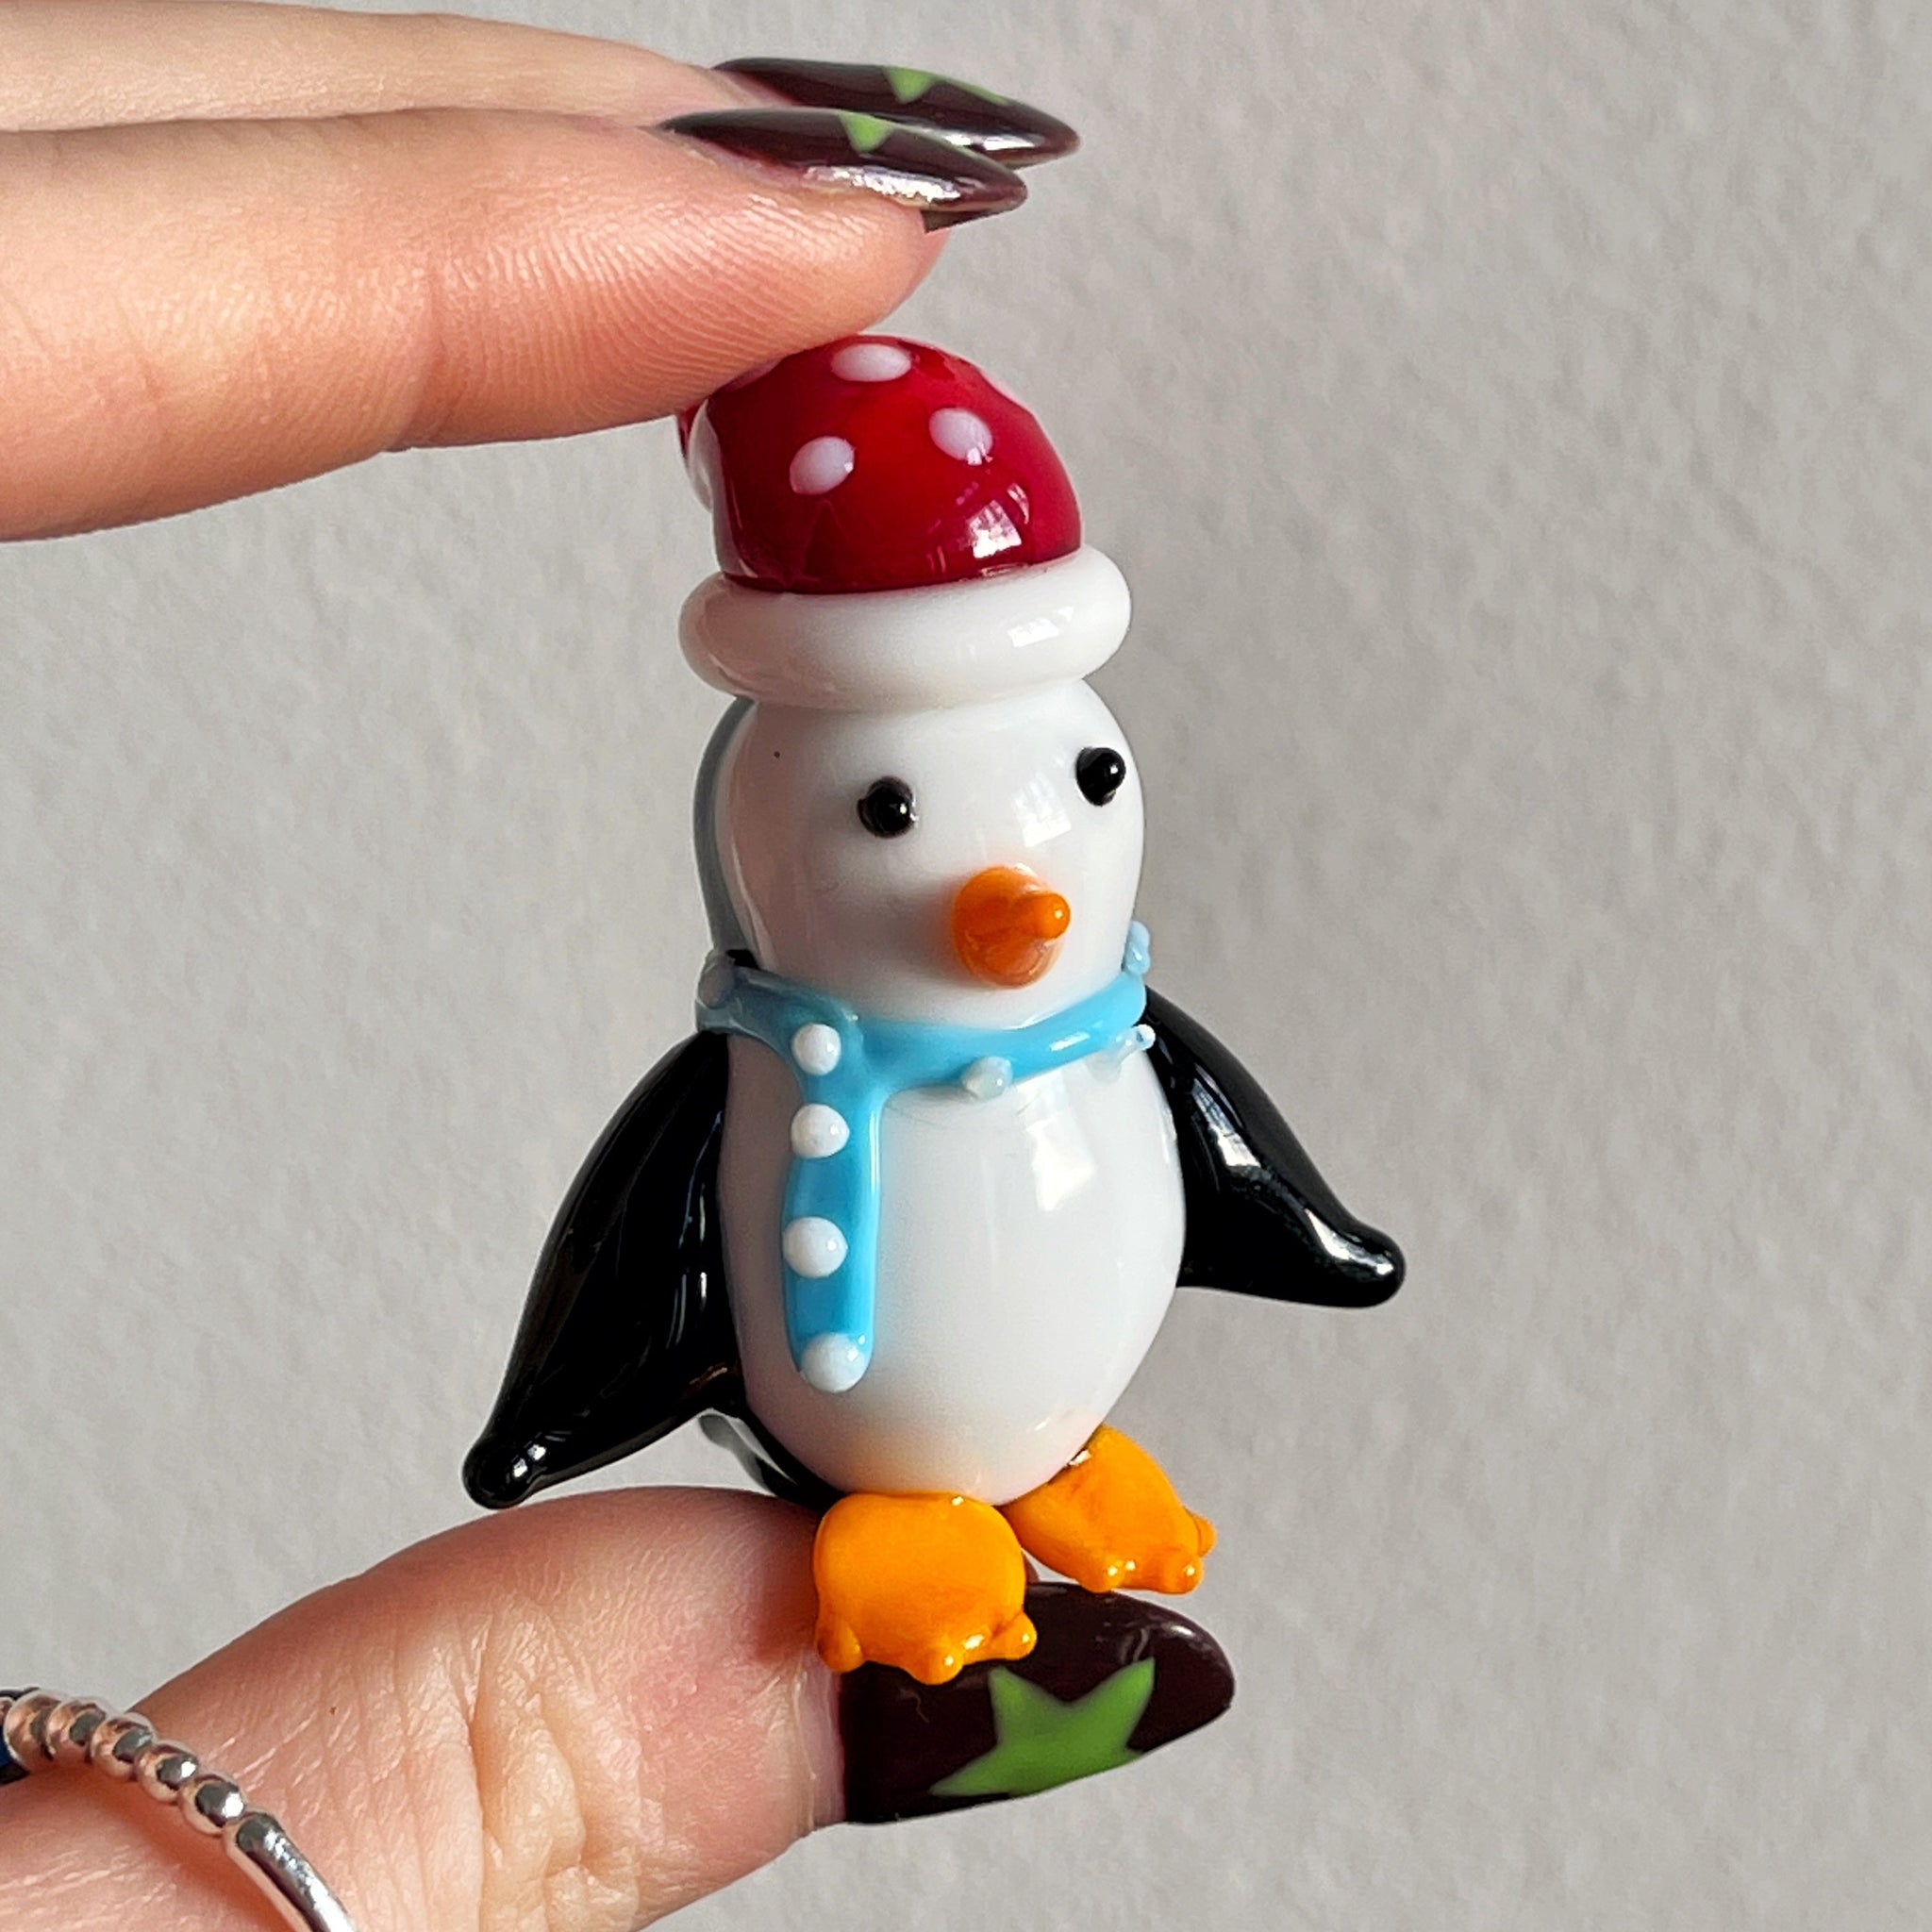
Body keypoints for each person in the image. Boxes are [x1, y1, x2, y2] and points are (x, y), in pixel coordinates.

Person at [0, 6, 1057, 1924]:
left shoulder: (1102, 1032)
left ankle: (1050, 1456)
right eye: (887, 811)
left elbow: (1214, 1153)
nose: (1024, 892)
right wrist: (560, 1412)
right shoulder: (767, 1068)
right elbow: (648, 1232)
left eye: (1085, 785)